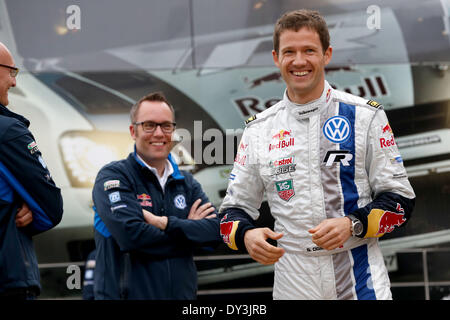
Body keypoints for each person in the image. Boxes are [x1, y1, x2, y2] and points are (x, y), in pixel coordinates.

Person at [219, 10, 415, 300]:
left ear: (327, 54)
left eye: (309, 50)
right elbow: (231, 211)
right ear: (276, 58)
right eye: (289, 52)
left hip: (360, 277)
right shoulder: (259, 129)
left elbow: (401, 201)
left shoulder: (365, 116)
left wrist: (352, 224)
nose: (299, 61)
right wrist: (246, 235)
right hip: (293, 281)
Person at [92, 91, 221, 299]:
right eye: (149, 125)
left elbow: (215, 233)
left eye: (166, 126)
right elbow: (131, 237)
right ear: (133, 131)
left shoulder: (186, 183)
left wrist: (166, 223)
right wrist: (190, 232)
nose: (159, 133)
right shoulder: (113, 176)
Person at [0, 42, 64, 299]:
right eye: (11, 72)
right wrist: (23, 205)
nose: (14, 83)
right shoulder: (8, 133)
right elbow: (51, 208)